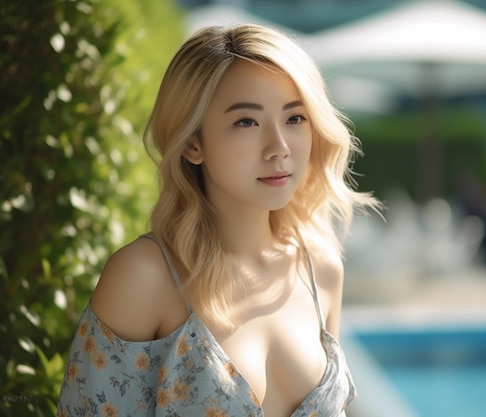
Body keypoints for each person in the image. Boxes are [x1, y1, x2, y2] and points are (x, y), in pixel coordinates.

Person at [56, 23, 380, 417]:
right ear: (193, 143)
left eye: (295, 119)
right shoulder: (145, 276)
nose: (279, 148)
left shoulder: (321, 268)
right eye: (247, 121)